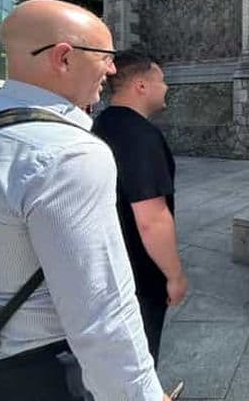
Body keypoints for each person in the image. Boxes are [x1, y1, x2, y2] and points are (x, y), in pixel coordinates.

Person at [0, 0, 168, 400]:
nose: (112, 70)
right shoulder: (67, 153)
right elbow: (103, 310)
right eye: (105, 56)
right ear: (64, 58)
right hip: (38, 373)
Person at [92, 51, 188, 365]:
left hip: (108, 268)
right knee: (140, 358)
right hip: (139, 278)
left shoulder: (102, 123)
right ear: (141, 85)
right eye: (161, 80)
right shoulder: (142, 136)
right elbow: (152, 218)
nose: (166, 87)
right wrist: (174, 275)